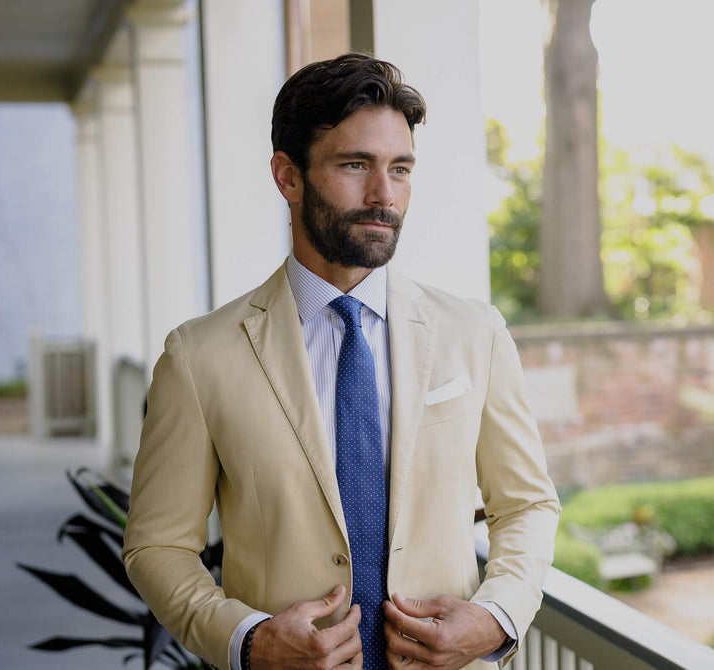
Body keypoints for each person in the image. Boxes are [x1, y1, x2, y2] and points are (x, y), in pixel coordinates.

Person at [122, 53, 561, 670]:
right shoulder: (198, 358)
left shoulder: (475, 335)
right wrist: (249, 640)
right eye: (356, 165)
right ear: (288, 176)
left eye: (400, 169)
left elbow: (527, 505)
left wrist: (498, 615)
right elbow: (157, 545)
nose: (384, 196)